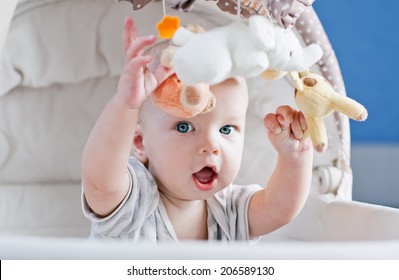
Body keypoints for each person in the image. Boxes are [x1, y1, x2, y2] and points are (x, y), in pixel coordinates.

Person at [81, 16, 313, 242]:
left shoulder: (230, 208)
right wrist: (126, 105)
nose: (211, 146)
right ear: (141, 143)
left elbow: (278, 210)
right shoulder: (133, 202)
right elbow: (100, 184)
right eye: (184, 126)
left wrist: (295, 158)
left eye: (226, 129)